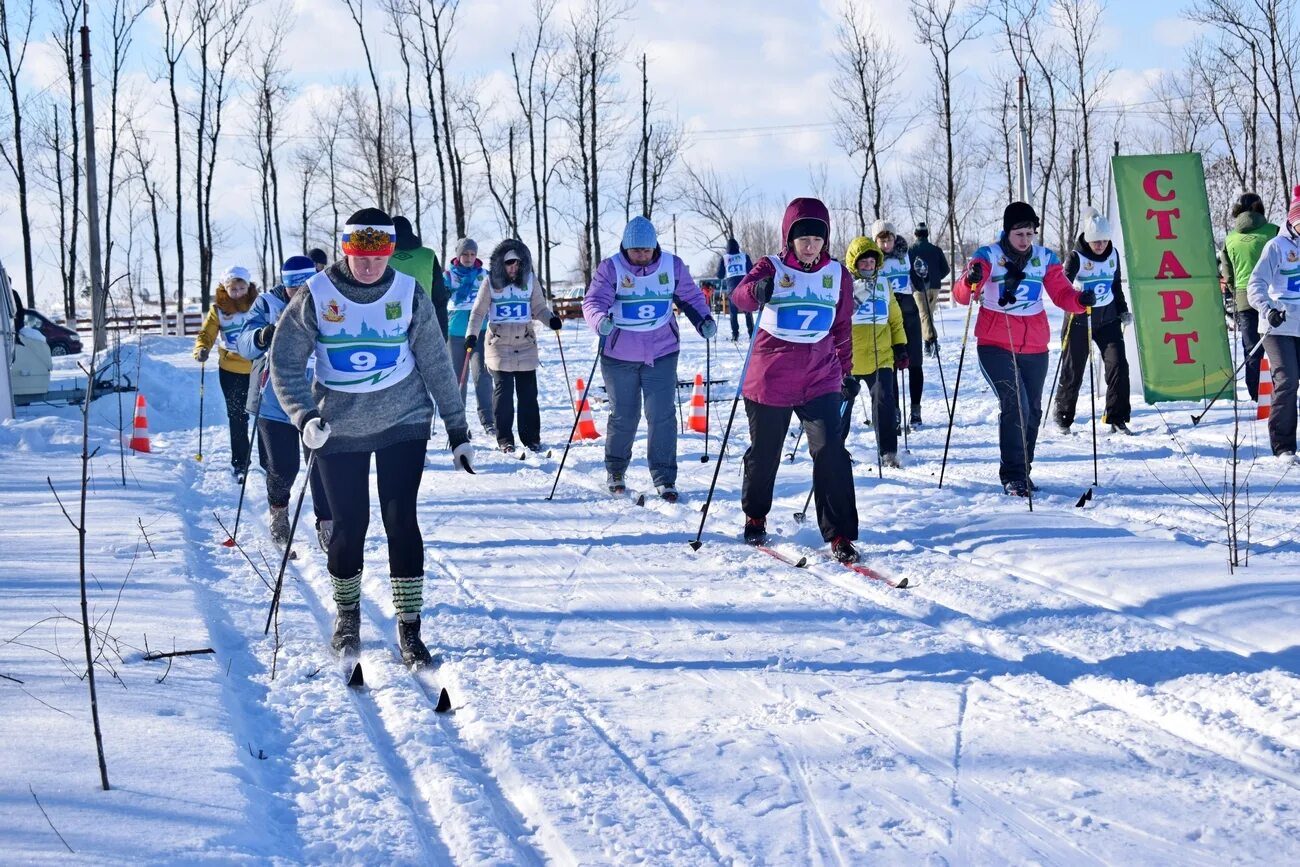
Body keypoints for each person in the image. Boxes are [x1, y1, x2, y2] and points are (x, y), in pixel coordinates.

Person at [270, 207, 474, 669]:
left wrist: (457, 429)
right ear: (346, 249)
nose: (369, 264)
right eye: (359, 254)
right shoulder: (316, 294)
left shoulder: (408, 291)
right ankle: (347, 617)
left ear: (389, 251)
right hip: (337, 426)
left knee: (401, 519)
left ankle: (410, 627)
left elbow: (437, 364)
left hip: (404, 418)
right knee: (349, 525)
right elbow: (284, 362)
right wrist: (304, 417)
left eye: (378, 253)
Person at [731, 197, 860, 563]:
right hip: (771, 376)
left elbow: (842, 327)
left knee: (830, 450)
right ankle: (756, 513)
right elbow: (739, 297)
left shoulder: (838, 274)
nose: (810, 246)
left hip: (819, 376)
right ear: (789, 238)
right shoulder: (770, 267)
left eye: (817, 240)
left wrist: (846, 371)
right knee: (765, 452)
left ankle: (840, 535)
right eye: (803, 239)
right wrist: (757, 291)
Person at [954, 201, 1089, 496]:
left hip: (1035, 346)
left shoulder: (1045, 258)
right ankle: (1013, 475)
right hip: (995, 344)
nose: (1026, 240)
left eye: (1030, 233)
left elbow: (1062, 293)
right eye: (1019, 234)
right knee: (1016, 404)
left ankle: (1023, 469)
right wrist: (971, 279)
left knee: (1033, 412)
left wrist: (1080, 301)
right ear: (1007, 231)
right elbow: (963, 294)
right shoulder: (989, 255)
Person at [582, 216, 716, 501]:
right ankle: (616, 470)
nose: (642, 256)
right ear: (626, 248)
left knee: (662, 415)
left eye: (646, 250)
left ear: (655, 246)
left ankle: (665, 476)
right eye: (636, 251)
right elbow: (593, 302)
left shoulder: (672, 265)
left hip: (662, 351)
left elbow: (690, 297)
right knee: (624, 416)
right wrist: (599, 321)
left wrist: (703, 319)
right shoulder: (611, 268)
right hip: (619, 354)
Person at [236, 255, 333, 551]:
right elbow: (243, 343)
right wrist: (262, 336)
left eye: (303, 286)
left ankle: (326, 522)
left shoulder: (327, 299)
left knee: (322, 465)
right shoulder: (267, 304)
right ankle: (278, 512)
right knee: (283, 466)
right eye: (292, 289)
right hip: (275, 402)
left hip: (317, 399)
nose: (298, 294)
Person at [465, 239, 560, 454]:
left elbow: (539, 308)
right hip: (498, 344)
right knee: (504, 394)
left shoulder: (530, 281)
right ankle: (505, 439)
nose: (513, 268)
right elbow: (478, 312)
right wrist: (471, 335)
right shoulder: (490, 282)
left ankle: (531, 438)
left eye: (517, 263)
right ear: (501, 264)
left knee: (528, 394)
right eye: (509, 264)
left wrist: (551, 319)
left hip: (525, 343)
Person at [1052, 207, 1133, 435]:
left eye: (1104, 240)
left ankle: (1116, 417)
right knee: (1073, 370)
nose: (1101, 245)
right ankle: (1063, 416)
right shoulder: (1076, 257)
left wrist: (1123, 310)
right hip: (1079, 320)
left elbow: (1115, 286)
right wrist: (1078, 297)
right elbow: (1061, 286)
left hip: (1107, 319)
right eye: (1096, 241)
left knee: (1118, 366)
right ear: (1088, 240)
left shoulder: (1113, 254)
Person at [840, 236, 907, 467]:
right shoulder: (845, 285)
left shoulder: (884, 284)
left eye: (871, 262)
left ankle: (888, 452)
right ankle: (835, 448)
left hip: (881, 356)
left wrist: (900, 346)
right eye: (863, 263)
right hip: (850, 358)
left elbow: (895, 320)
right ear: (854, 263)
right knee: (843, 404)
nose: (868, 267)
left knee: (884, 402)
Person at [1246, 185, 1300, 457]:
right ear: (1293, 220)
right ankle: (1283, 446)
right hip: (1278, 325)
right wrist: (1268, 310)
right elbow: (1254, 284)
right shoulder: (1276, 247)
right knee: (1288, 380)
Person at [194, 266, 259, 479]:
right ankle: (241, 463)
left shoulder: (258, 305)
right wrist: (202, 349)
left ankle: (269, 462)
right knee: (237, 417)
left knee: (265, 417)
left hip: (258, 368)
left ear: (248, 287)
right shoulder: (219, 310)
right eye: (234, 289)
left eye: (242, 288)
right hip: (230, 369)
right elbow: (207, 333)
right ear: (225, 288)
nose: (238, 292)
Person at [1223, 192, 1280, 401]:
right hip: (1272, 298)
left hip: (1244, 298)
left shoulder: (1229, 239)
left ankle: (1257, 396)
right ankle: (1279, 392)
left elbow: (1227, 273)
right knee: (1278, 347)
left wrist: (1236, 290)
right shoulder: (1274, 231)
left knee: (1252, 349)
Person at [874, 220, 925, 427]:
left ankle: (915, 408)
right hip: (886, 313)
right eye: (882, 241)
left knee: (915, 362)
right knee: (891, 364)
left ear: (895, 239)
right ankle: (894, 409)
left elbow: (920, 283)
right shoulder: (873, 260)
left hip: (908, 310)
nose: (887, 245)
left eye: (890, 240)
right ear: (876, 241)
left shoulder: (907, 254)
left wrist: (923, 274)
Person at [445, 238, 495, 438]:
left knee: (482, 377)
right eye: (465, 254)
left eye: (472, 254)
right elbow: (439, 300)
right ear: (458, 255)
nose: (469, 258)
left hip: (480, 332)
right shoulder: (448, 276)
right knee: (459, 379)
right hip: (456, 332)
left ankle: (489, 422)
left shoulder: (484, 275)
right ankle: (459, 424)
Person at [390, 215, 451, 341]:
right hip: (423, 316)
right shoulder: (428, 256)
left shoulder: (380, 256)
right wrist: (442, 335)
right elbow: (439, 298)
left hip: (390, 316)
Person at [909, 221, 950, 357]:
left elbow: (907, 270)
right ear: (927, 234)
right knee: (928, 314)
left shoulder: (911, 250)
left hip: (919, 287)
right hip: (935, 287)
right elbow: (946, 269)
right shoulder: (936, 250)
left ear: (915, 234)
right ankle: (929, 343)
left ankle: (932, 341)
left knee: (924, 314)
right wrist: (936, 277)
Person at [715, 237, 754, 341]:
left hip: (732, 289)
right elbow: (751, 271)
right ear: (738, 247)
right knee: (747, 311)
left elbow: (719, 275)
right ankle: (751, 333)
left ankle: (735, 334)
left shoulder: (724, 258)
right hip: (744, 287)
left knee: (733, 313)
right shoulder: (744, 256)